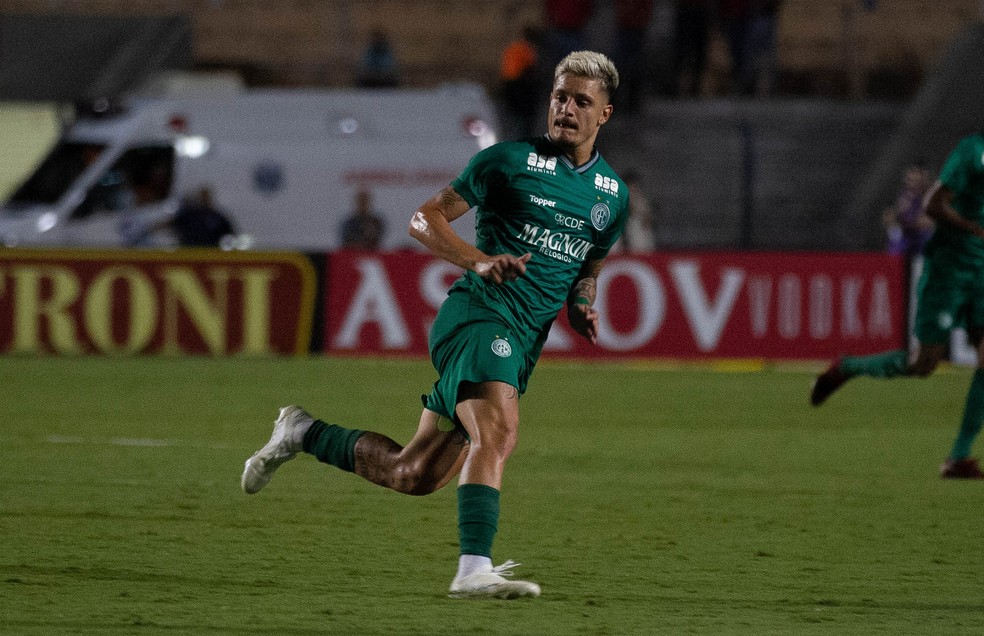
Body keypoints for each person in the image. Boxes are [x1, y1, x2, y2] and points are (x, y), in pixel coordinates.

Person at [241, 51, 628, 598]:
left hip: (521, 342)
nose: (566, 109)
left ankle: (302, 432)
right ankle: (473, 569)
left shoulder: (613, 196)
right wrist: (479, 260)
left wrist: (581, 302)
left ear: (604, 114)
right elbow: (425, 218)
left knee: (412, 474)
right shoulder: (506, 162)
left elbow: (589, 265)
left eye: (580, 101)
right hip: (478, 315)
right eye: (560, 97)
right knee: (497, 431)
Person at [811, 133, 984, 480]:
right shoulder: (972, 153)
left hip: (982, 271)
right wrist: (972, 229)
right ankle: (848, 367)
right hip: (948, 270)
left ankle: (959, 457)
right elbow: (933, 205)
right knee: (923, 364)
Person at [141, 185, 235, 247]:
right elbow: (172, 223)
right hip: (189, 251)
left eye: (206, 197)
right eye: (202, 197)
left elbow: (230, 232)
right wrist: (151, 228)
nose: (204, 200)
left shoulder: (217, 216)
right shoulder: (190, 214)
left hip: (210, 253)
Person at [883, 162, 934, 259]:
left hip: (922, 238)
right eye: (909, 180)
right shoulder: (904, 197)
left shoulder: (931, 195)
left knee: (929, 237)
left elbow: (929, 222)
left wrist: (907, 222)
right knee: (895, 234)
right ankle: (893, 265)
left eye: (915, 180)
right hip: (907, 237)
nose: (911, 183)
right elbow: (890, 220)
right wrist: (892, 220)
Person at [499, 25, 541, 139]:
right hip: (521, 89)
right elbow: (529, 71)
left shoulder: (513, 48)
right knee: (522, 124)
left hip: (509, 87)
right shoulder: (528, 51)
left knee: (511, 121)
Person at [613, 170, 656, 252]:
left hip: (638, 242)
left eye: (635, 186)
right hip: (618, 241)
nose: (633, 188)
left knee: (638, 229)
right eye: (630, 186)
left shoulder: (641, 201)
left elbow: (648, 221)